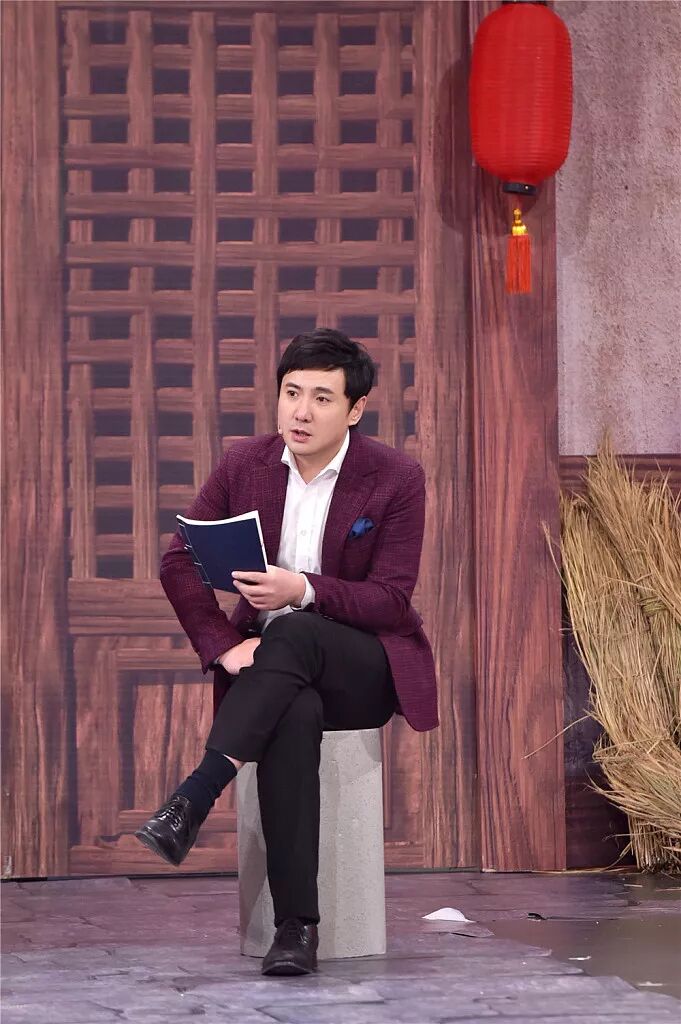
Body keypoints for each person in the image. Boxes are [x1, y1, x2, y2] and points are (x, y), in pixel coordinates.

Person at [136, 328, 439, 975]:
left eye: (322, 398)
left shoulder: (395, 477)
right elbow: (178, 560)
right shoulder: (245, 464)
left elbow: (390, 600)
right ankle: (296, 930)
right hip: (276, 672)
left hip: (364, 666)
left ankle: (195, 794)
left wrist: (300, 589)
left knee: (295, 628)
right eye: (291, 393)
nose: (301, 412)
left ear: (354, 409)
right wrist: (223, 646)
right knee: (291, 711)